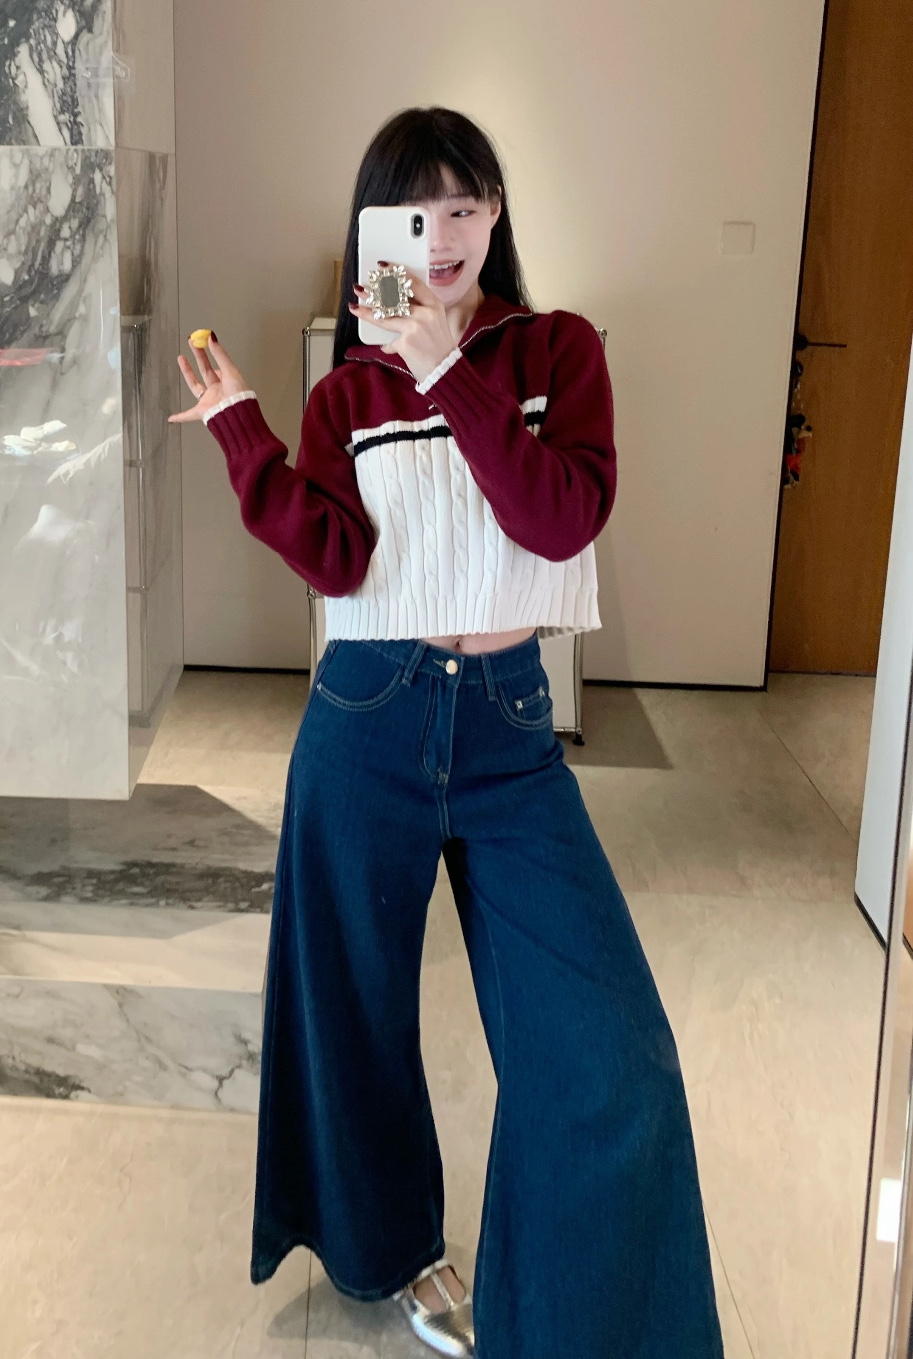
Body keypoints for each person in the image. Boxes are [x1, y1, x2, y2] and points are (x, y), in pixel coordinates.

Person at [170, 106, 723, 1359]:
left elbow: (558, 520)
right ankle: (394, 1253)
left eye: (465, 205)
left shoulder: (555, 349)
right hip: (367, 714)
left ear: (496, 214)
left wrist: (448, 372)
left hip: (511, 732)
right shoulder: (346, 390)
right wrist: (246, 430)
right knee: (351, 1013)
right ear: (373, 231)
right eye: (413, 213)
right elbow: (337, 559)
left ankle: (578, 1323)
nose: (442, 236)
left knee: (610, 1048)